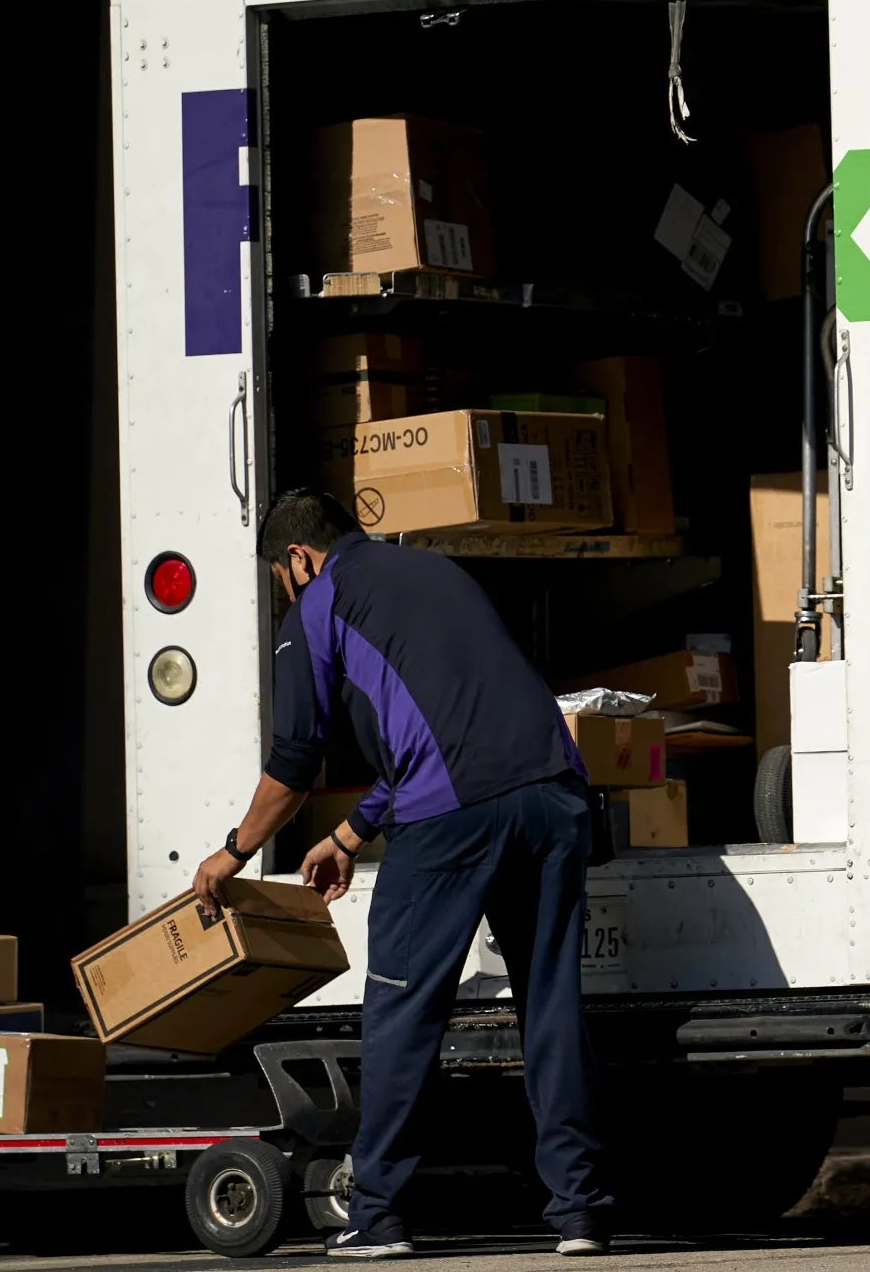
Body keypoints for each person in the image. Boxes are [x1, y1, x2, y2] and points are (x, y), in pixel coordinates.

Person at [191, 490, 613, 1258]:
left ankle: (377, 1214)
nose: (287, 592)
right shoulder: (433, 570)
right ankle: (580, 1212)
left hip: (454, 817)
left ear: (297, 559)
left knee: (402, 1012)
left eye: (282, 578)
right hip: (555, 793)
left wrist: (235, 849)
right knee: (550, 1004)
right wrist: (352, 833)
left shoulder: (319, 602)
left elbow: (294, 762)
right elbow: (449, 720)